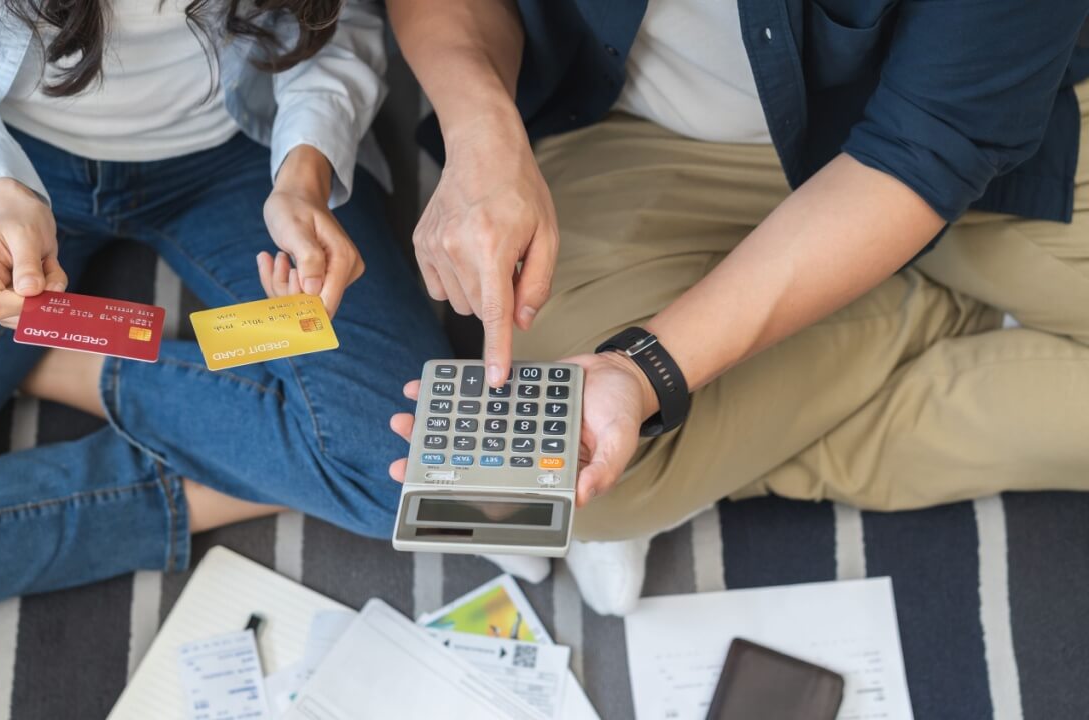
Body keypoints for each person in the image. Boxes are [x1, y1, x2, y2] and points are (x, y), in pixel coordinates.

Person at [386, 0, 1089, 614]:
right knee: (554, 478)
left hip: (983, 141)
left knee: (609, 449)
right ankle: (917, 309)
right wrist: (482, 126)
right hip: (649, 140)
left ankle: (766, 399)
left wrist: (648, 369)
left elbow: (929, 147)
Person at [0, 0, 450, 628]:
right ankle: (288, 469)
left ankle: (64, 361)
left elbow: (340, 20)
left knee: (419, 471)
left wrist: (303, 173)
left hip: (241, 153)